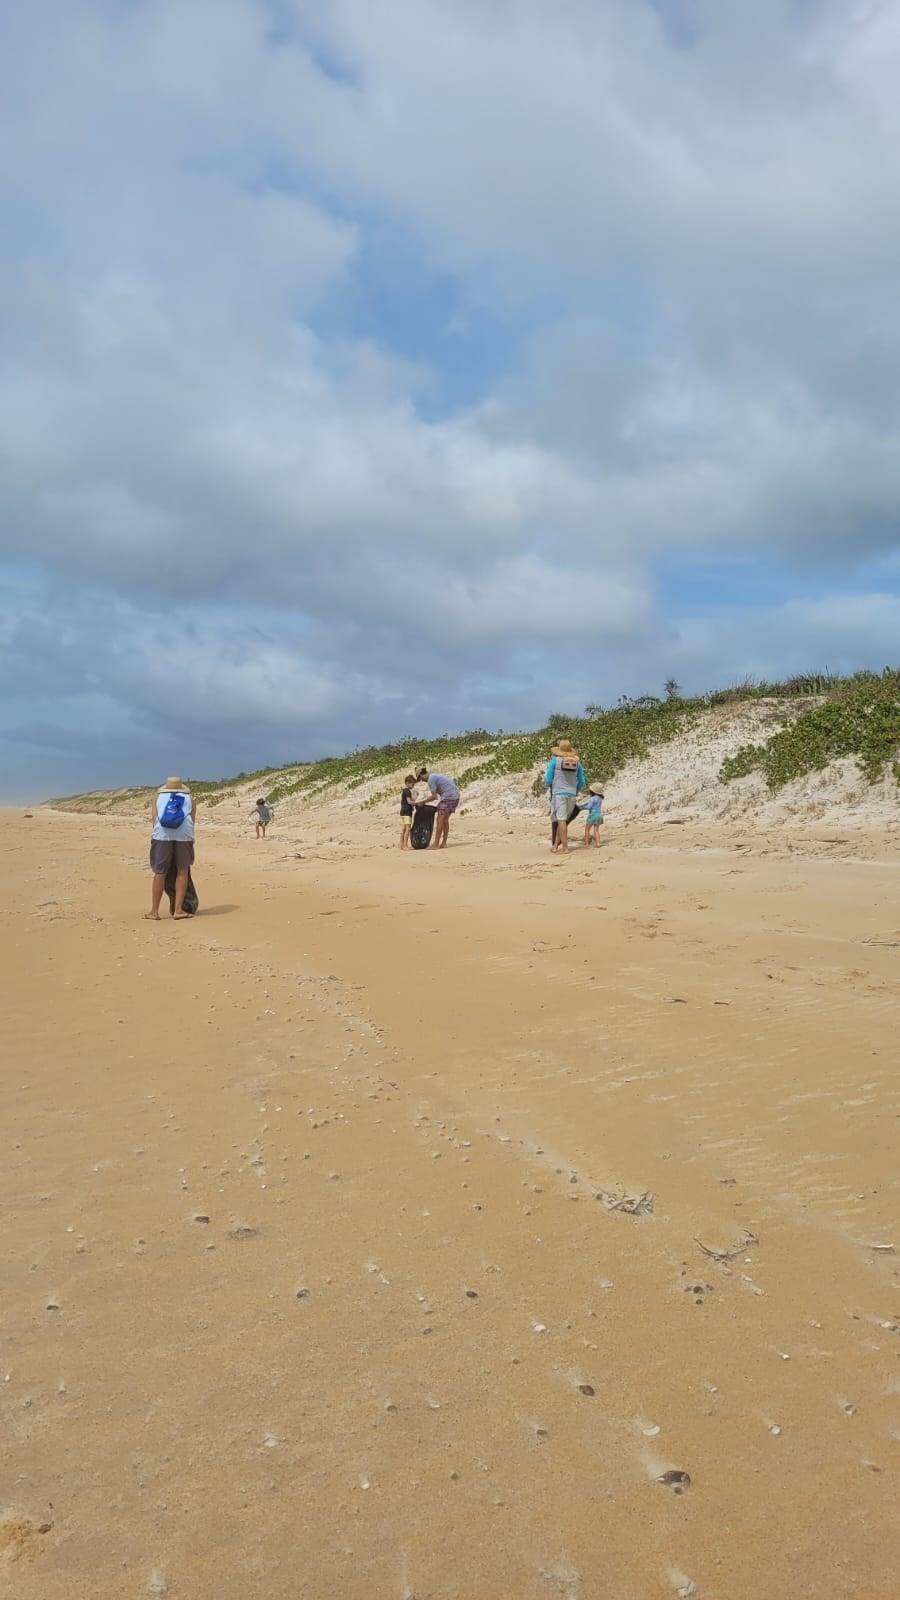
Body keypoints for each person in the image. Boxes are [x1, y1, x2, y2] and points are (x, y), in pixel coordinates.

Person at [146, 777, 197, 921]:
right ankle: (178, 910)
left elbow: (155, 819)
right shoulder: (190, 800)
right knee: (182, 871)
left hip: (162, 835)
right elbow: (191, 821)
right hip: (184, 834)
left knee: (160, 872)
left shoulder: (157, 799)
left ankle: (154, 912)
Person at [544, 740, 586, 855]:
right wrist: (575, 791)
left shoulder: (554, 761)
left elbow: (548, 780)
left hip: (559, 795)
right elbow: (582, 782)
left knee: (561, 821)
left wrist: (549, 785)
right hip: (572, 795)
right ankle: (555, 846)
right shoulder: (578, 763)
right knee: (562, 820)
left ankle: (565, 848)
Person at [415, 766, 460, 849]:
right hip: (456, 797)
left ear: (421, 775)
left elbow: (434, 796)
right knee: (445, 820)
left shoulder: (431, 780)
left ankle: (436, 844)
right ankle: (444, 843)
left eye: (420, 778)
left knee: (439, 820)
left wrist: (422, 802)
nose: (421, 780)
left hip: (448, 797)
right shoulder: (435, 776)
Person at [583, 783, 604, 847]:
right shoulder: (600, 799)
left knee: (587, 830)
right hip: (599, 815)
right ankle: (598, 843)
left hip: (592, 815)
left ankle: (586, 844)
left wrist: (582, 807)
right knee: (596, 830)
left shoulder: (592, 798)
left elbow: (589, 807)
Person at [399, 773, 415, 849]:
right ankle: (405, 845)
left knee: (404, 828)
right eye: (412, 784)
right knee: (408, 828)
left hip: (403, 811)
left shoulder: (404, 791)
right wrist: (415, 803)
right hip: (407, 812)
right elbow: (409, 801)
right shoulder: (407, 791)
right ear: (408, 783)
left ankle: (401, 844)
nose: (413, 786)